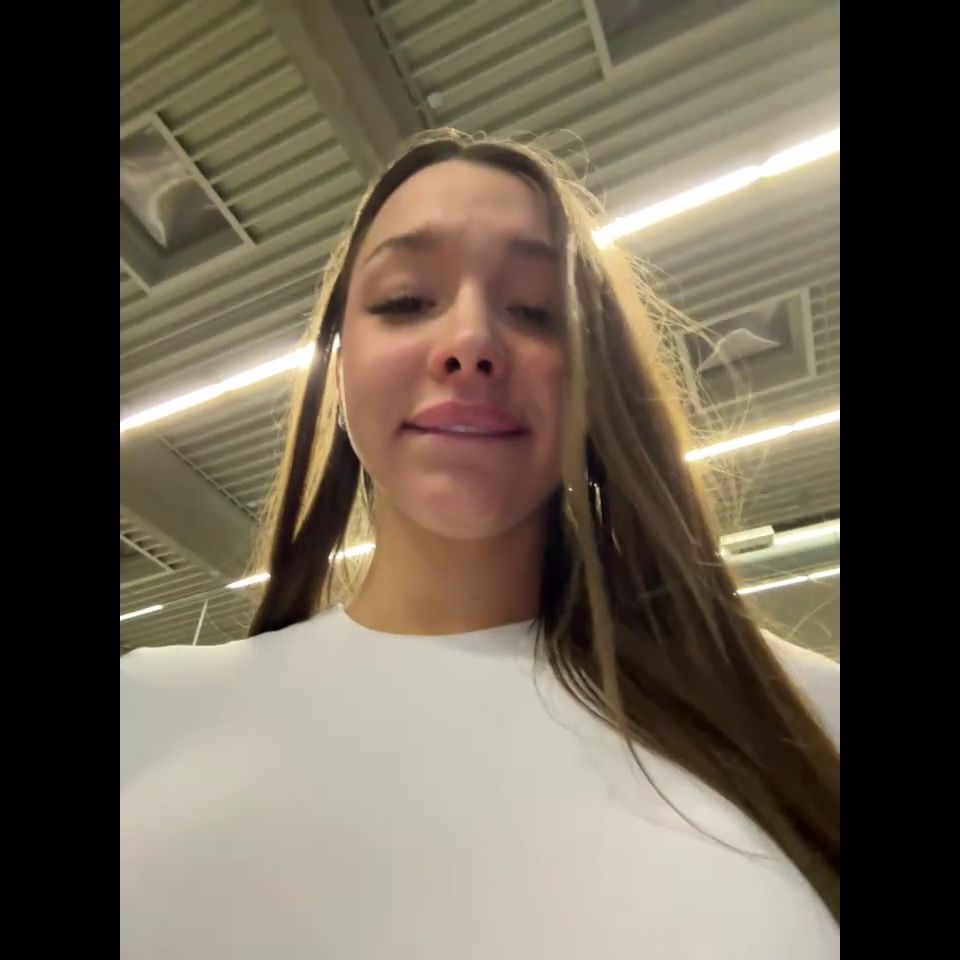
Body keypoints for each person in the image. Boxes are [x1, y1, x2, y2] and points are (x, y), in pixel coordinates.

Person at [121, 130, 840, 959]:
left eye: (535, 310)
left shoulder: (802, 721)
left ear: (593, 379)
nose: (471, 343)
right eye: (404, 300)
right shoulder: (145, 716)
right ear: (342, 362)